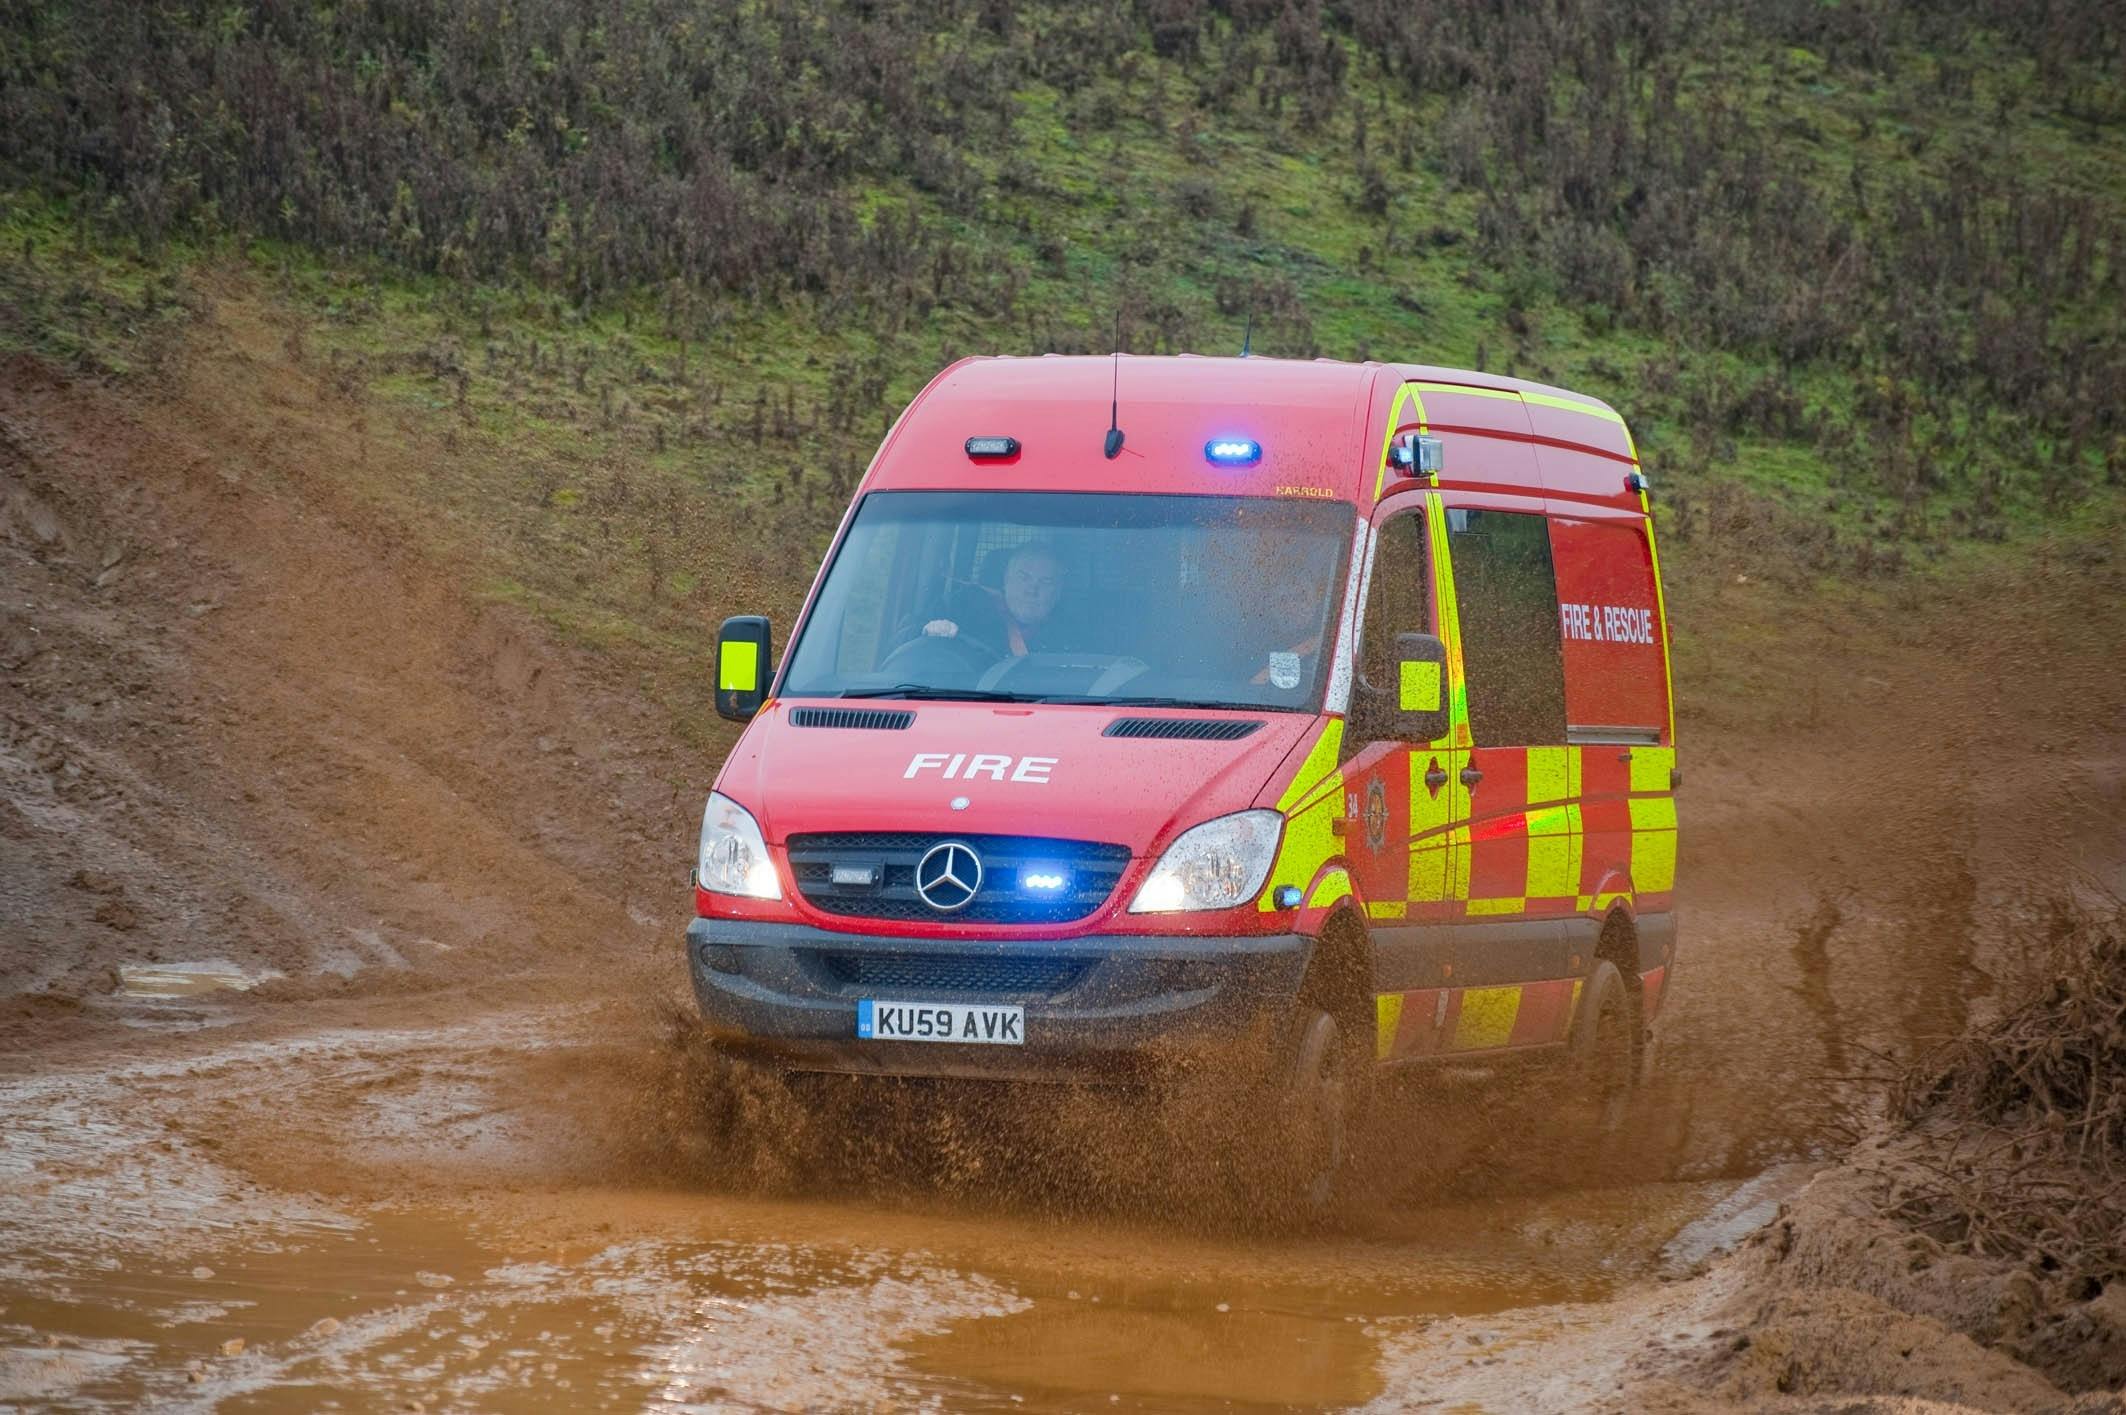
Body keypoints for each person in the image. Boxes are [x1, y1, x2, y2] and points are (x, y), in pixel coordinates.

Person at [922, 541, 1067, 657]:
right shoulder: (960, 610)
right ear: (1006, 580)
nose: (1032, 590)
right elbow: (914, 637)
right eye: (1024, 578)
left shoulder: (1072, 636)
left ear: (1058, 592)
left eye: (1046, 582)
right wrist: (934, 630)